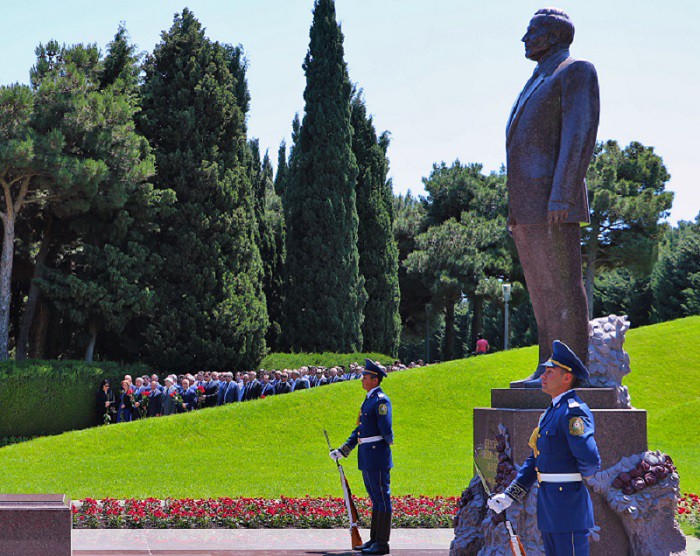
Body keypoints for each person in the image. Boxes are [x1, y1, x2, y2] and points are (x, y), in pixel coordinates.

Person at [506, 8, 599, 386]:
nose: (525, 39)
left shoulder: (575, 71)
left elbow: (579, 134)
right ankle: (548, 367)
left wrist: (562, 195)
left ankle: (573, 370)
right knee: (542, 291)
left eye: (532, 31)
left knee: (562, 285)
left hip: (552, 202)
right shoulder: (537, 78)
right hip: (528, 206)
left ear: (554, 36)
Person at [488, 340, 601, 556]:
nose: (543, 376)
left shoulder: (573, 412)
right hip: (549, 505)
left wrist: (575, 479)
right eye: (544, 371)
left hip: (568, 506)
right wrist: (510, 495)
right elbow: (535, 461)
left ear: (567, 378)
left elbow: (590, 459)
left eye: (550, 371)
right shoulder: (550, 413)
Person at [330, 359, 394, 555]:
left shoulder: (380, 400)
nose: (361, 380)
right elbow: (360, 429)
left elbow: (385, 428)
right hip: (367, 454)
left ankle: (382, 543)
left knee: (382, 497)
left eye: (365, 377)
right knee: (375, 498)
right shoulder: (368, 399)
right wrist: (344, 450)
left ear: (375, 380)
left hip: (377, 453)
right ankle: (374, 539)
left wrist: (388, 441)